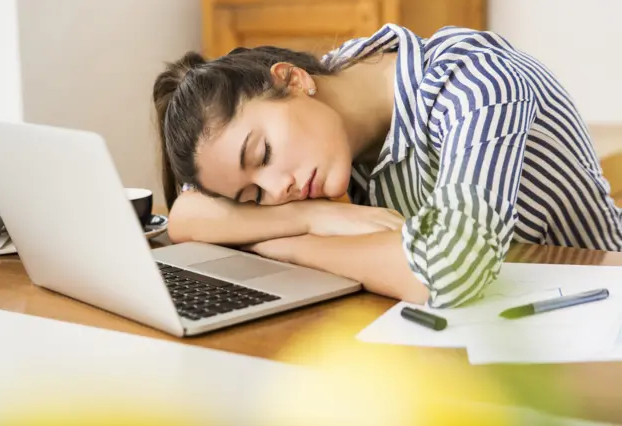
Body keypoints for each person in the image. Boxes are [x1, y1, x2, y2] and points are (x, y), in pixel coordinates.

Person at [152, 24, 622, 309]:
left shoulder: (478, 85)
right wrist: (314, 216)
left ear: (292, 79)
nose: (280, 189)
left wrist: (284, 244)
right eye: (254, 198)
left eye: (263, 155)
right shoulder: (334, 92)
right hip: (486, 323)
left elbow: (444, 272)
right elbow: (187, 215)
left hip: (594, 316)